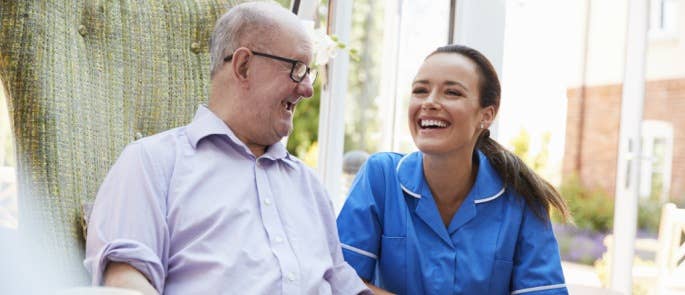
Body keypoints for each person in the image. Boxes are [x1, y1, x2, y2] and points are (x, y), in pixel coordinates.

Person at [84, 2, 368, 295]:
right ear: (243, 65)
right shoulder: (152, 163)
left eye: (309, 72)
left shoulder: (308, 185)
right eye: (296, 69)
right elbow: (125, 282)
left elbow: (343, 283)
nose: (307, 88)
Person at [336, 44, 571, 295]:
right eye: (420, 90)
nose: (429, 102)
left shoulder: (522, 199)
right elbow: (340, 279)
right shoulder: (380, 177)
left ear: (486, 115)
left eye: (452, 93)